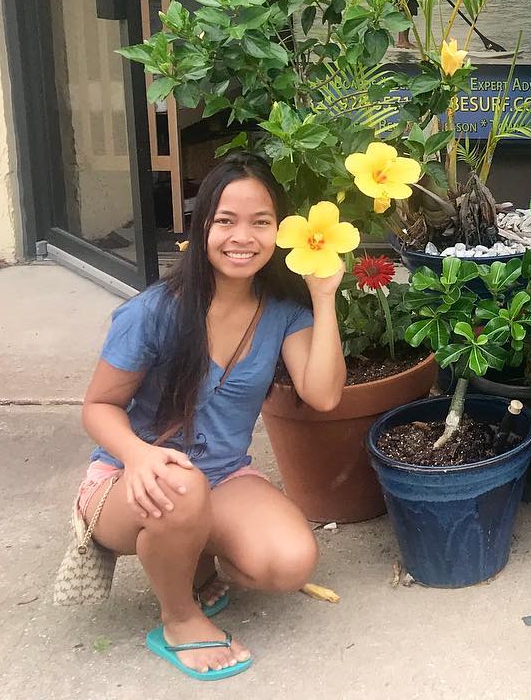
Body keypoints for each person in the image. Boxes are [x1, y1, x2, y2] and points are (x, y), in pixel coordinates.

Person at [77, 154, 346, 680]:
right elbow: (98, 406)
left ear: (279, 233)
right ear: (202, 227)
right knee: (180, 486)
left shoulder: (283, 312)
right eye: (225, 221)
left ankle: (194, 560)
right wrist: (138, 455)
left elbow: (325, 396)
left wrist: (324, 297)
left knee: (288, 563)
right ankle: (178, 617)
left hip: (222, 476)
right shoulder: (154, 310)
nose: (242, 237)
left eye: (260, 223)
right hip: (127, 481)